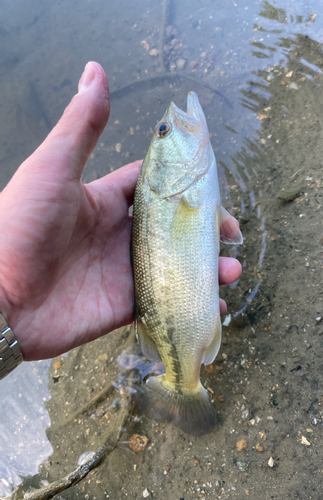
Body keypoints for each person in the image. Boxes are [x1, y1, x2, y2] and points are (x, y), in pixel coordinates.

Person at [0, 61, 242, 367]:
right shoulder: (177, 189)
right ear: (160, 171)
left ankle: (183, 372)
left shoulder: (179, 189)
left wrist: (8, 297)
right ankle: (183, 380)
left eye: (162, 131)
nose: (167, 125)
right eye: (164, 131)